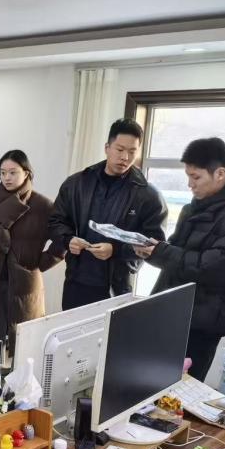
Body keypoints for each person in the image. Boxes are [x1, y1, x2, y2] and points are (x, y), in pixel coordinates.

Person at [133, 138, 225, 382]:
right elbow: (178, 254)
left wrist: (163, 252)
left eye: (196, 177)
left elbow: (213, 267)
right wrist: (152, 250)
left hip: (204, 319)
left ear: (220, 174)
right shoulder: (199, 207)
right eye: (188, 176)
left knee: (184, 386)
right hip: (182, 310)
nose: (190, 184)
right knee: (158, 382)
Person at [48, 119, 167, 310]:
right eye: (120, 149)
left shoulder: (148, 195)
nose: (125, 157)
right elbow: (55, 221)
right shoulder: (77, 184)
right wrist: (67, 239)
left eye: (132, 151)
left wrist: (116, 250)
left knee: (112, 331)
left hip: (115, 289)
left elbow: (154, 244)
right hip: (76, 283)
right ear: (107, 148)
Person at [0, 149, 63, 348]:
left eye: (13, 172)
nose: (7, 177)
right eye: (3, 173)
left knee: (23, 345)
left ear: (26, 173)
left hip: (23, 284)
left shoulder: (43, 206)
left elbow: (62, 241)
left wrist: (37, 264)